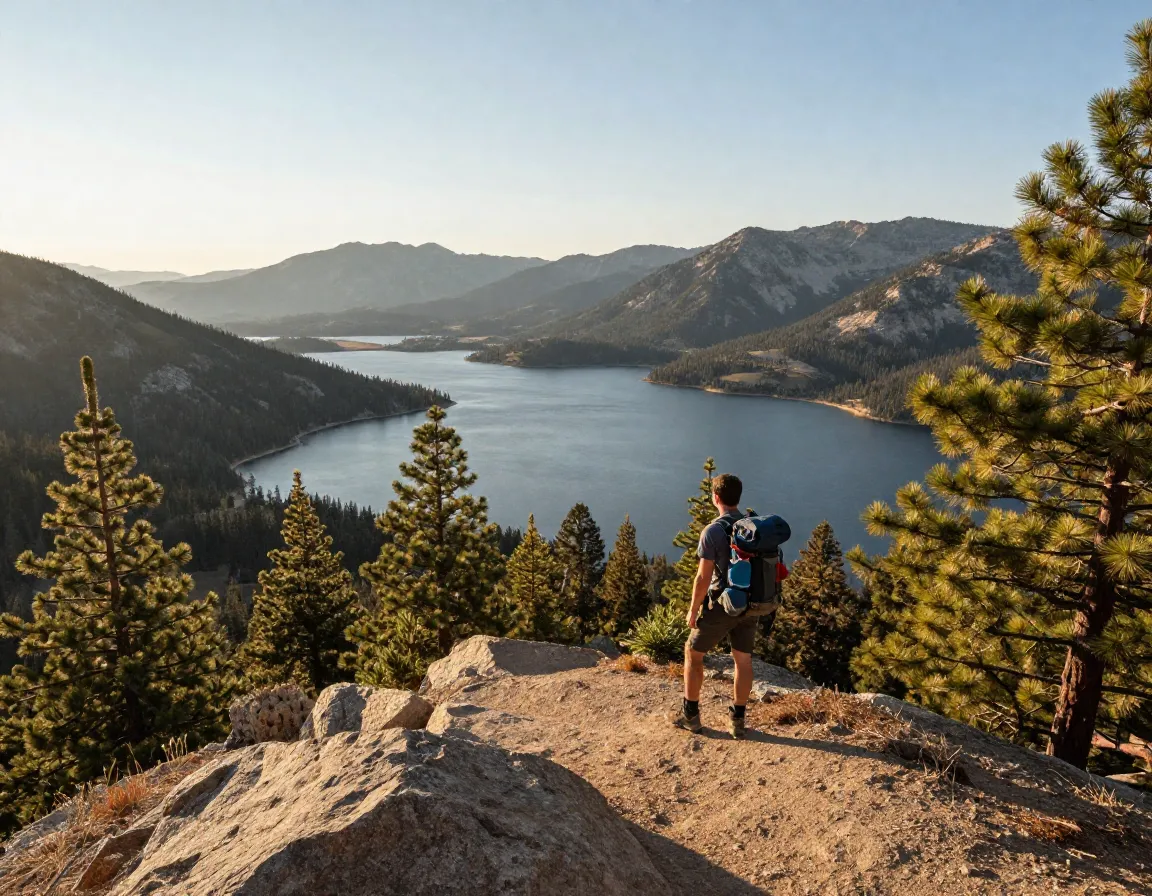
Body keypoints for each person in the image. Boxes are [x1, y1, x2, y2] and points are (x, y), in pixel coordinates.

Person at [669, 473, 786, 739]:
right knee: (742, 660)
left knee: (693, 652)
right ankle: (738, 721)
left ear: (715, 498)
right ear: (737, 498)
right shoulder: (752, 529)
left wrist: (693, 608)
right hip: (752, 604)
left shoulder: (713, 531)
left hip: (723, 605)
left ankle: (691, 716)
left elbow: (702, 577)